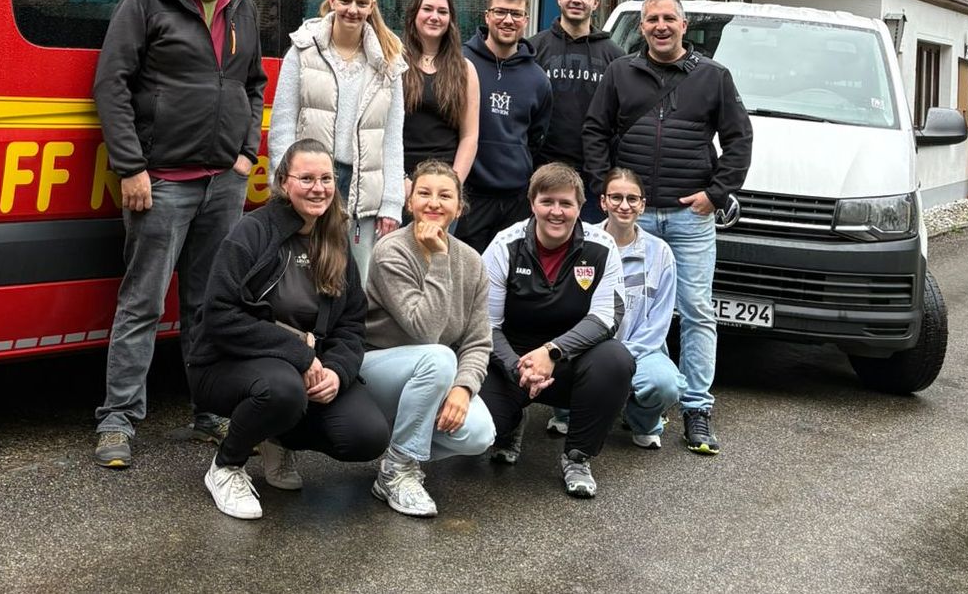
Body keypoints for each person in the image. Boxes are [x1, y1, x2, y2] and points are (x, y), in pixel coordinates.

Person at [89, 0, 267, 469]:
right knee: (141, 301)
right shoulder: (147, 1)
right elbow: (111, 84)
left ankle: (208, 410)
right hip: (161, 180)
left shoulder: (243, 6)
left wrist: (245, 155)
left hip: (223, 182)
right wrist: (132, 167)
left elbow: (253, 85)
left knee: (208, 303)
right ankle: (118, 419)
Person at [583, 0, 753, 456]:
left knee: (696, 311)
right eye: (652, 19)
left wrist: (715, 194)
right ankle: (612, 392)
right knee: (610, 304)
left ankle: (697, 407)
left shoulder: (714, 77)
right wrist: (605, 189)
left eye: (669, 19)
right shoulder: (620, 72)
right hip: (628, 218)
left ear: (684, 25)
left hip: (687, 217)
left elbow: (739, 138)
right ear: (642, 27)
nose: (660, 26)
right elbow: (595, 130)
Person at [184, 139, 390, 520]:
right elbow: (219, 315)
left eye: (326, 178)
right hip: (225, 365)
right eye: (306, 178)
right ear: (283, 181)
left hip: (305, 372)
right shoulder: (252, 232)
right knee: (282, 390)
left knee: (367, 435)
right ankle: (227, 466)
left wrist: (338, 372)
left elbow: (351, 323)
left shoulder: (335, 238)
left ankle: (274, 433)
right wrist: (301, 354)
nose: (319, 188)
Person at [478, 163, 633, 498]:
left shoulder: (602, 246)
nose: (557, 212)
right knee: (479, 433)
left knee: (616, 359)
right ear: (532, 203)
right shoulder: (504, 245)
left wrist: (553, 351)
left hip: (569, 363)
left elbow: (608, 317)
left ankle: (577, 456)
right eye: (547, 201)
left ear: (581, 207)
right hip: (511, 362)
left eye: (566, 203)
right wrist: (519, 366)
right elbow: (485, 325)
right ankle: (510, 427)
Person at [360, 160, 496, 517]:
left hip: (431, 375)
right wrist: (437, 258)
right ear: (409, 203)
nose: (434, 203)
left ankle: (395, 456)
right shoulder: (391, 250)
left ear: (459, 206)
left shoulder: (472, 262)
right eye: (424, 193)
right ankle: (400, 471)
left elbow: (479, 341)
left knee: (480, 434)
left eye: (444, 195)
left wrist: (464, 389)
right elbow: (425, 329)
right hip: (377, 371)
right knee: (438, 356)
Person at [268, 0, 407, 280]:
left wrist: (392, 202)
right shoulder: (303, 50)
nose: (352, 10)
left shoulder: (389, 60)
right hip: (310, 182)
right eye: (345, 0)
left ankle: (348, 332)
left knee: (356, 279)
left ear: (372, 7)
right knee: (302, 274)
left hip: (363, 187)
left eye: (361, 3)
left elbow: (392, 137)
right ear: (331, 0)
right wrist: (284, 182)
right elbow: (282, 125)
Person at [545, 168, 684, 448]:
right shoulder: (580, 244)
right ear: (603, 202)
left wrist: (618, 361)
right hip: (584, 349)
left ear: (643, 204)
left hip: (641, 350)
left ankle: (642, 421)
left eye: (632, 199)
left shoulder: (660, 254)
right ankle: (568, 411)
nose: (624, 205)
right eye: (616, 197)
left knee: (665, 383)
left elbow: (658, 322)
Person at [459, 0, 552, 253]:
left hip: (515, 200)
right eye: (500, 12)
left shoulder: (538, 80)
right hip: (469, 195)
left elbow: (537, 139)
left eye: (516, 14)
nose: (507, 20)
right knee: (467, 278)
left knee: (509, 282)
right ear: (487, 15)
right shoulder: (460, 62)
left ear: (526, 19)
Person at [527, 0, 624, 223]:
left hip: (593, 180)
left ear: (596, 3)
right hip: (542, 173)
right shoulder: (534, 49)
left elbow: (622, 120)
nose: (576, 0)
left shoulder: (615, 58)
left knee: (587, 255)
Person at [400, 0, 480, 186]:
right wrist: (399, 181)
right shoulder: (394, 62)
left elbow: (469, 136)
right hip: (400, 182)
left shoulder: (465, 69)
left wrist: (453, 185)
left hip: (445, 180)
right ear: (413, 15)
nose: (434, 16)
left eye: (442, 12)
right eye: (427, 9)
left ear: (450, 20)